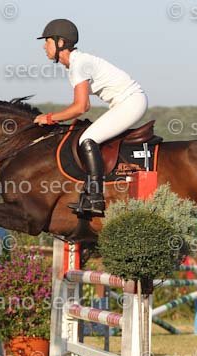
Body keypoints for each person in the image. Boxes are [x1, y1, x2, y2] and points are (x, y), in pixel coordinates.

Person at [34, 19, 148, 216]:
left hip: (131, 102)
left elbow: (81, 106)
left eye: (47, 41)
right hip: (126, 103)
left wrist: (50, 118)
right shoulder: (75, 64)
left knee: (87, 139)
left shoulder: (79, 64)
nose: (44, 46)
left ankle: (95, 198)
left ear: (60, 42)